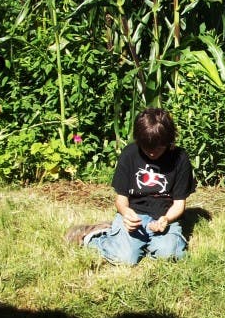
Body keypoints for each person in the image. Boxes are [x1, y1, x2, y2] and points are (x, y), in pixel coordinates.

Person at [64, 106, 196, 265]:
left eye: (158, 148)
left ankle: (144, 243)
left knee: (169, 256)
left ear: (168, 141)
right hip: (135, 215)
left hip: (164, 217)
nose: (152, 153)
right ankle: (94, 236)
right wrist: (126, 212)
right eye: (147, 148)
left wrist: (166, 219)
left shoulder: (180, 158)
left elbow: (179, 204)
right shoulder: (129, 154)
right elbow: (121, 199)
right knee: (125, 258)